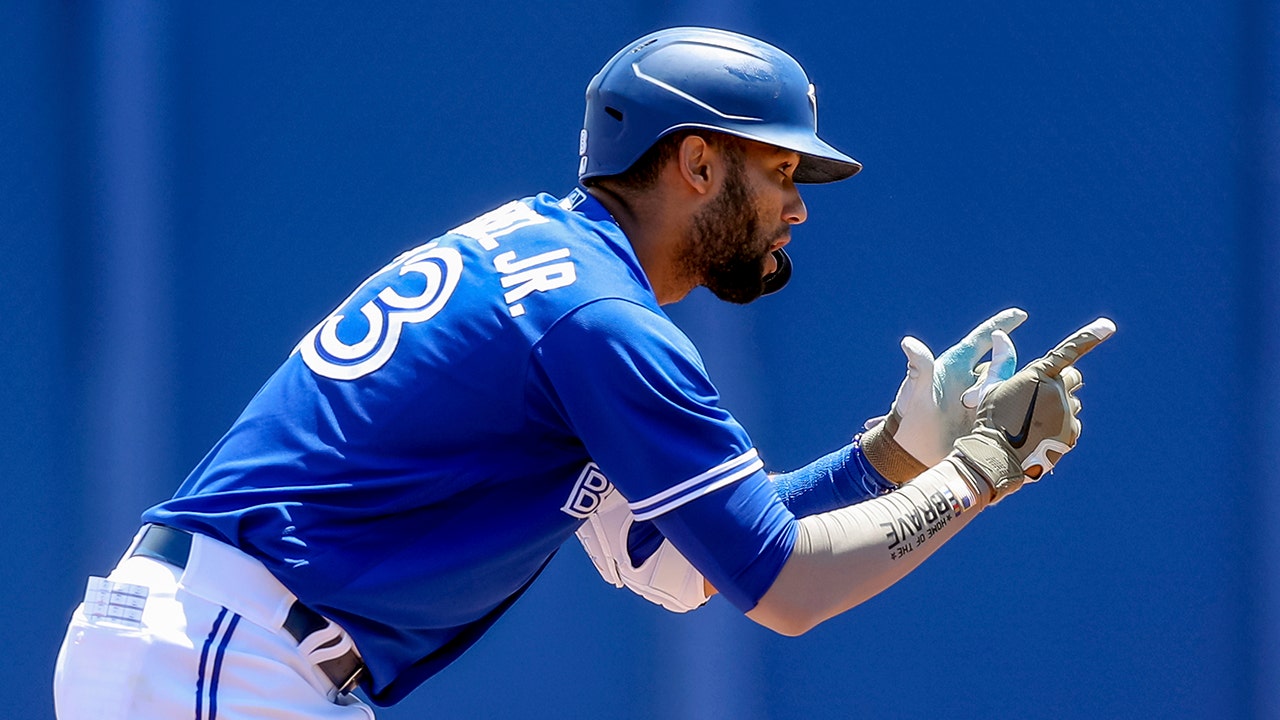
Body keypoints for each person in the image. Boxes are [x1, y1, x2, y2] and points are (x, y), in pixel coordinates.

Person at [53, 26, 1114, 719]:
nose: (797, 204)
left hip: (222, 650)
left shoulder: (547, 263)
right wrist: (975, 470)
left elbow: (699, 561)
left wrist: (890, 458)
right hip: (224, 660)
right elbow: (786, 589)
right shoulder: (596, 318)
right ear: (696, 162)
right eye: (780, 168)